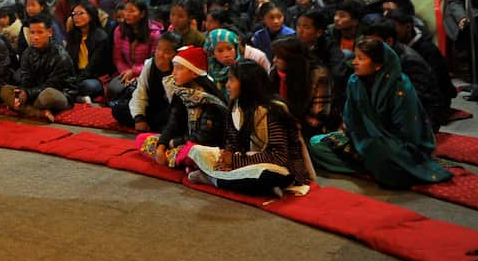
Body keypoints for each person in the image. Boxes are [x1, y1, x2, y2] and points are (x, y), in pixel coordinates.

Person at [309, 38, 452, 189]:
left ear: (377, 65)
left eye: (361, 58)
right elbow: (351, 117)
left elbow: (408, 131)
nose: (354, 62)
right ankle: (373, 164)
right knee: (316, 143)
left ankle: (378, 163)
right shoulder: (354, 82)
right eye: (355, 57)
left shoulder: (399, 86)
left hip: (394, 143)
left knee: (380, 152)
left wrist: (376, 139)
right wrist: (356, 135)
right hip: (362, 140)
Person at [186, 59, 314, 195]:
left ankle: (213, 179)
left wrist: (234, 161)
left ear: (247, 83)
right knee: (195, 151)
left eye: (232, 80)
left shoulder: (274, 110)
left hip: (277, 168)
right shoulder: (235, 106)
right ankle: (236, 181)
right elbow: (232, 142)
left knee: (265, 176)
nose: (227, 85)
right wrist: (226, 157)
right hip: (245, 162)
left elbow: (279, 157)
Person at [136, 45, 227, 169]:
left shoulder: (210, 100)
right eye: (174, 68)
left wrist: (174, 143)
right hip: (183, 143)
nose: (173, 73)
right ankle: (178, 160)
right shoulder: (181, 93)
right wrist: (161, 146)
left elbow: (204, 137)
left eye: (178, 68)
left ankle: (182, 160)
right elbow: (173, 124)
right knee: (141, 139)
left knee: (194, 151)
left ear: (194, 73)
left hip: (205, 147)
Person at [2, 13, 74, 122]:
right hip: (33, 93)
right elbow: (26, 79)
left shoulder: (61, 56)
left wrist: (28, 94)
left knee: (48, 95)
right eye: (32, 32)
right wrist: (23, 91)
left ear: (49, 32)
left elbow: (53, 85)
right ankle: (38, 112)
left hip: (58, 93)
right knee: (5, 90)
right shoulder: (27, 53)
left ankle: (24, 108)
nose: (35, 37)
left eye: (40, 32)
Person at [114, 32, 180, 132]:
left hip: (169, 109)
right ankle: (154, 126)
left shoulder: (179, 68)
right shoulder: (150, 64)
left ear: (176, 54)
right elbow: (140, 93)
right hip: (152, 106)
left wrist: (166, 73)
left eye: (167, 51)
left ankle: (156, 126)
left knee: (173, 117)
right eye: (158, 49)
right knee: (118, 109)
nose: (160, 54)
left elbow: (175, 102)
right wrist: (139, 118)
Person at [268, 36, 333, 138]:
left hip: (307, 129)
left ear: (291, 59)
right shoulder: (275, 71)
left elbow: (317, 118)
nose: (274, 60)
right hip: (282, 123)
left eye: (279, 57)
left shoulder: (318, 75)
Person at [110, 0, 162, 96]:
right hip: (126, 71)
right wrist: (126, 72)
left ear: (142, 14)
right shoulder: (119, 30)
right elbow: (118, 58)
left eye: (132, 11)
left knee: (135, 90)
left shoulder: (154, 34)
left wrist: (134, 72)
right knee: (114, 88)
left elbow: (153, 61)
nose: (127, 14)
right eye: (126, 10)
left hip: (147, 72)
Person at [65, 1, 113, 103]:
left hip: (94, 77)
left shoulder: (101, 37)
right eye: (74, 14)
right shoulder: (72, 35)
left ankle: (70, 95)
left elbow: (92, 67)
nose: (76, 17)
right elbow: (68, 60)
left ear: (91, 16)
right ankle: (79, 98)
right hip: (76, 75)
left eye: (80, 13)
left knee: (87, 86)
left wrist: (74, 81)